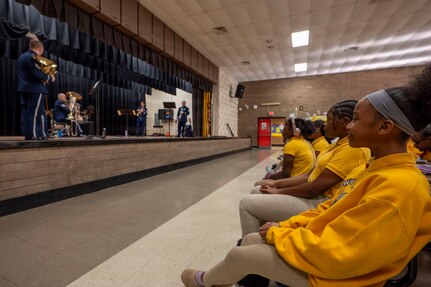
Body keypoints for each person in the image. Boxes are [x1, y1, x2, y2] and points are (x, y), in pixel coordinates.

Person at [180, 66, 431, 287]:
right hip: (326, 247)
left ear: (385, 127)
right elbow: (328, 210)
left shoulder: (401, 185)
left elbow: (345, 251)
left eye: (355, 119)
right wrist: (286, 226)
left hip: (345, 275)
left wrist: (281, 233)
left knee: (241, 254)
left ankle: (204, 282)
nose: (349, 126)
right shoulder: (371, 166)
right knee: (250, 239)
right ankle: (224, 280)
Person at [241, 100, 371, 238]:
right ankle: (262, 231)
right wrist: (275, 184)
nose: (324, 125)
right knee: (258, 190)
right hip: (311, 192)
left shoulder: (352, 149)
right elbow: (308, 176)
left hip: (320, 202)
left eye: (329, 119)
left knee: (246, 204)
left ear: (345, 122)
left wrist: (278, 189)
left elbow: (313, 188)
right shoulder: (335, 145)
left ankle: (252, 240)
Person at [17, 38, 55, 140]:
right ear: (40, 49)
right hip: (34, 89)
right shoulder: (32, 57)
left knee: (33, 112)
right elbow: (37, 73)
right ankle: (33, 134)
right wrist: (49, 77)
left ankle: (41, 133)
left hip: (24, 88)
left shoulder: (21, 56)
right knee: (34, 113)